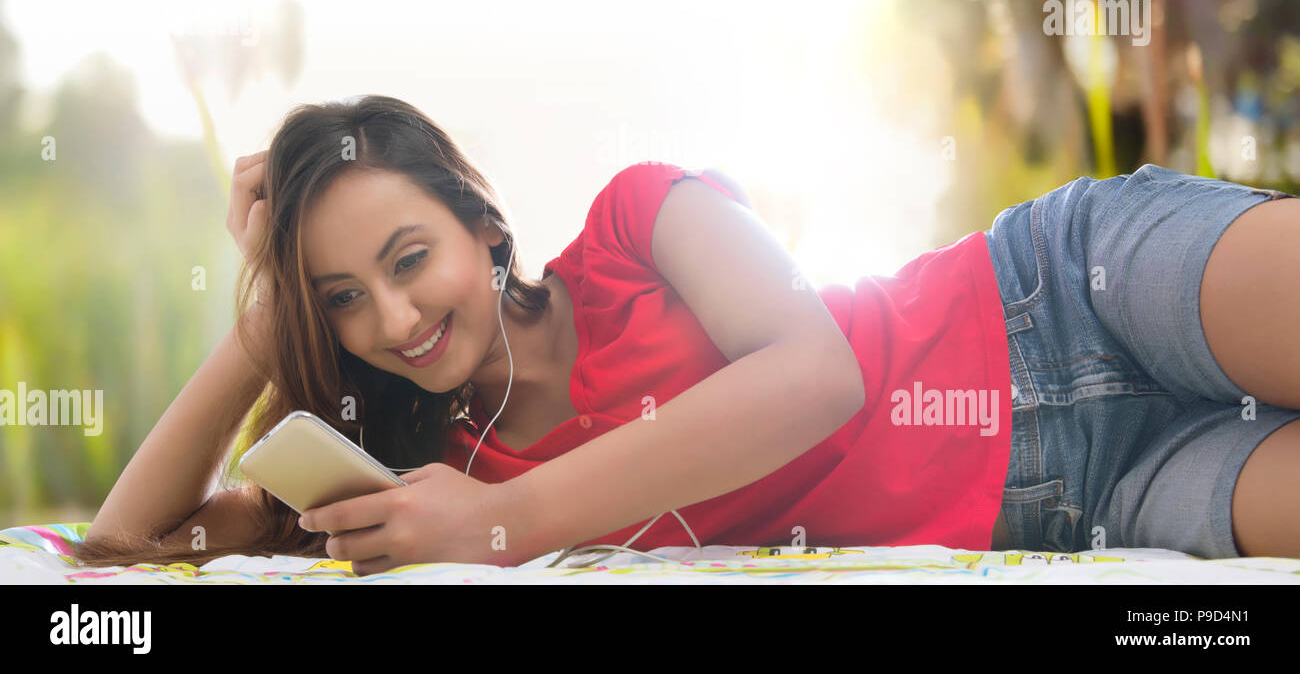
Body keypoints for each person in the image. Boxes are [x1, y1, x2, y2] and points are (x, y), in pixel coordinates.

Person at [70, 94, 1300, 572]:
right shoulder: (419, 476)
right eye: (342, 299)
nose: (390, 317)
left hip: (1063, 289)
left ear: (483, 228)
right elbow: (126, 545)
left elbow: (812, 372)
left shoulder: (636, 218)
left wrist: (507, 520)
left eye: (407, 261)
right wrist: (265, 301)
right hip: (1086, 498)